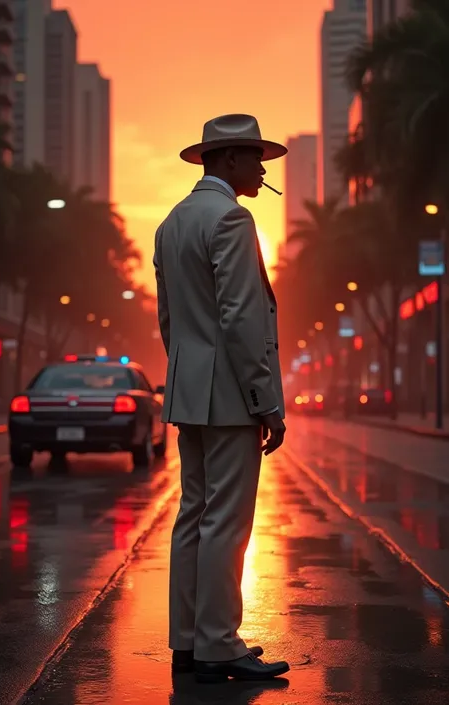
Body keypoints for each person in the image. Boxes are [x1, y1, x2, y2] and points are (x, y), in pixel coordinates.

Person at [153, 114, 289, 683]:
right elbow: (239, 318)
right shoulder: (232, 217)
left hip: (191, 390)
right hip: (231, 394)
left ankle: (188, 640)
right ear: (229, 159)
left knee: (193, 517)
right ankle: (218, 644)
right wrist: (265, 400)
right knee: (227, 523)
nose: (262, 170)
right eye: (255, 158)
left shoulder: (170, 223)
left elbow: (167, 319)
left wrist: (187, 373)